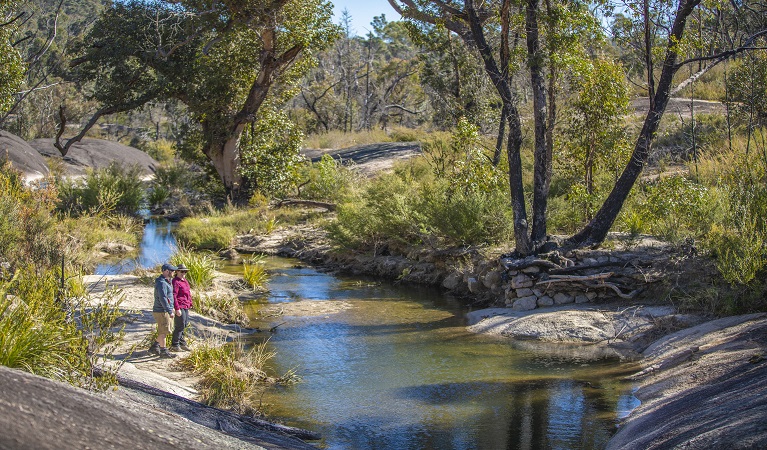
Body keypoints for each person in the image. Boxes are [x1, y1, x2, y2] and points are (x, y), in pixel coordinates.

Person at [149, 263, 177, 358]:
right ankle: (163, 351)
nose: (174, 272)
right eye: (172, 271)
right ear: (166, 271)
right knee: (164, 331)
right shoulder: (161, 283)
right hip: (161, 311)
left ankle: (155, 346)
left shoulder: (167, 281)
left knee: (164, 330)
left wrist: (171, 307)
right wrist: (169, 310)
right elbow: (163, 298)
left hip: (164, 310)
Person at [170, 264, 192, 352]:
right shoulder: (175, 281)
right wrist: (177, 308)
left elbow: (188, 293)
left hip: (186, 305)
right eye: (182, 271)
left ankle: (182, 343)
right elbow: (174, 295)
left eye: (185, 272)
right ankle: (175, 344)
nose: (183, 273)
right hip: (180, 305)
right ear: (177, 271)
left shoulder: (185, 281)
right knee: (180, 325)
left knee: (185, 324)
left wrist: (190, 303)